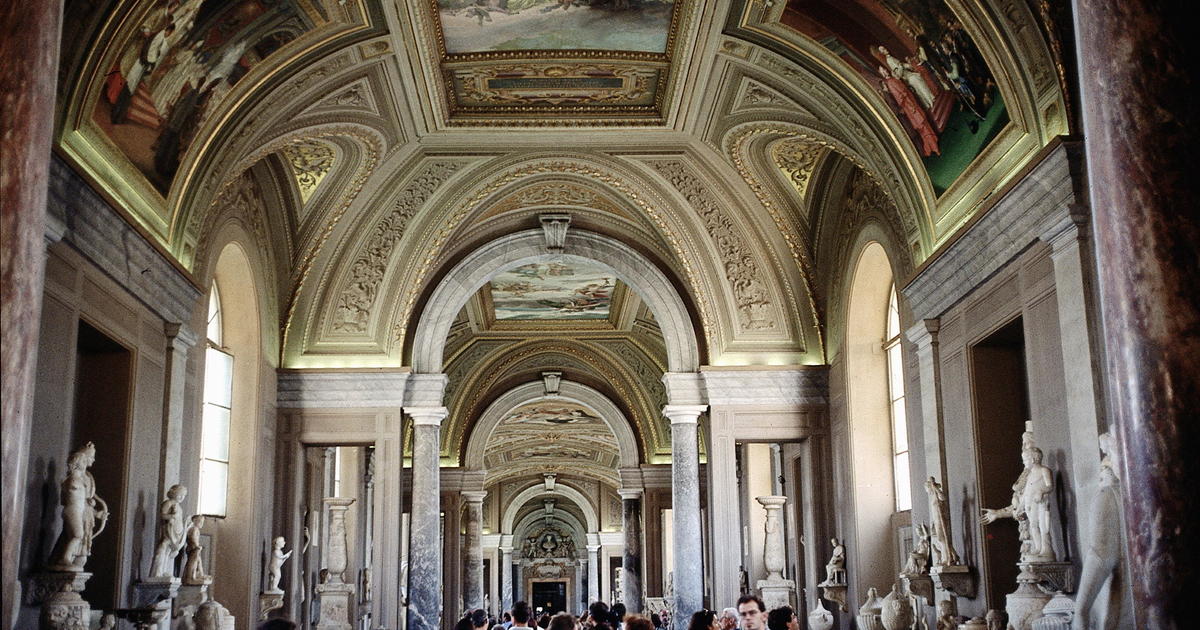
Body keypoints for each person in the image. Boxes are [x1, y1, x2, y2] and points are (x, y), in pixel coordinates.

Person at [48, 442, 109, 572]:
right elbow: (71, 499)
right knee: (76, 535)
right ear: (82, 459)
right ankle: (64, 560)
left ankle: (66, 561)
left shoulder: (87, 478)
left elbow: (85, 501)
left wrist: (97, 513)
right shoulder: (73, 479)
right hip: (74, 511)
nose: (93, 460)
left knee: (79, 549)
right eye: (91, 457)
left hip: (84, 514)